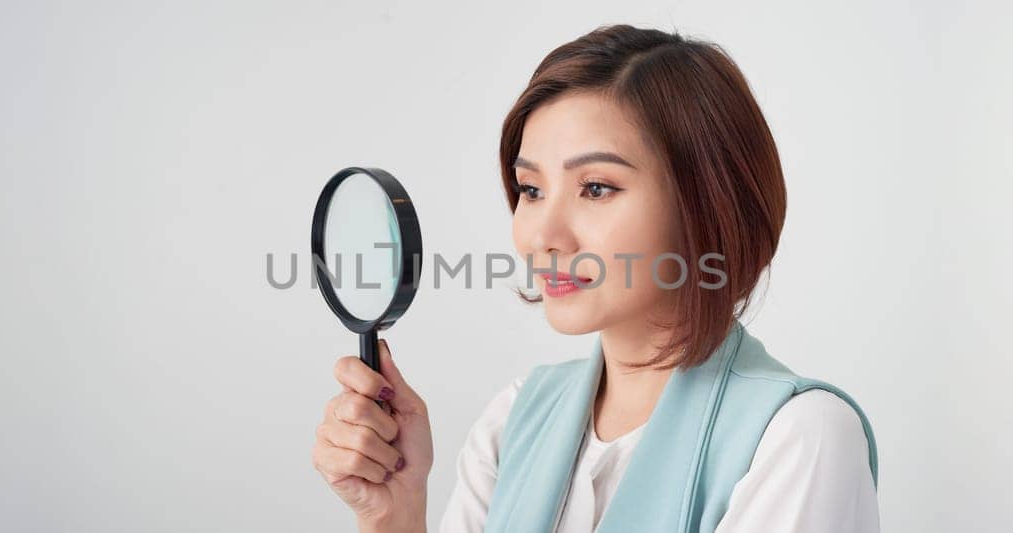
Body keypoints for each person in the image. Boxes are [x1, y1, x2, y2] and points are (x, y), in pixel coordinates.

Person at [311, 24, 879, 533]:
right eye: (531, 190)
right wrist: (394, 514)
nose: (543, 235)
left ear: (706, 203)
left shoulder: (798, 438)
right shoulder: (514, 419)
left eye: (596, 188)